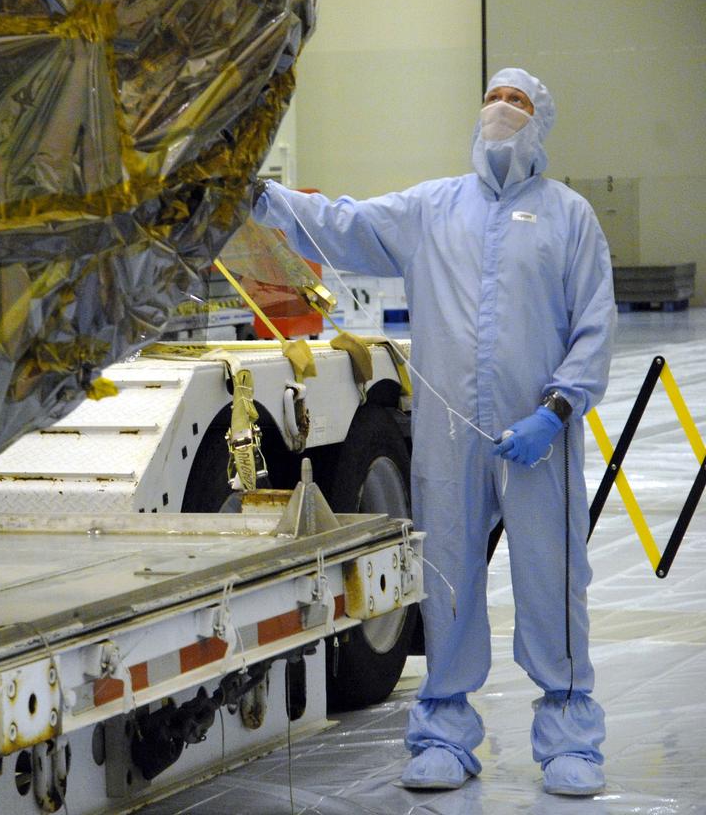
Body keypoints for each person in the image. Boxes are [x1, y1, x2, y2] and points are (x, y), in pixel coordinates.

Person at [252, 68, 615, 797]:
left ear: (541, 120)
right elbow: (348, 224)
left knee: (552, 579)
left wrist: (556, 411)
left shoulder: (569, 216)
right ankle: (445, 729)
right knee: (447, 577)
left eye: (516, 101)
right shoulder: (432, 208)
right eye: (492, 96)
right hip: (450, 439)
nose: (500, 109)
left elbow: (595, 325)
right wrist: (268, 198)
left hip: (538, 433)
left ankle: (571, 733)